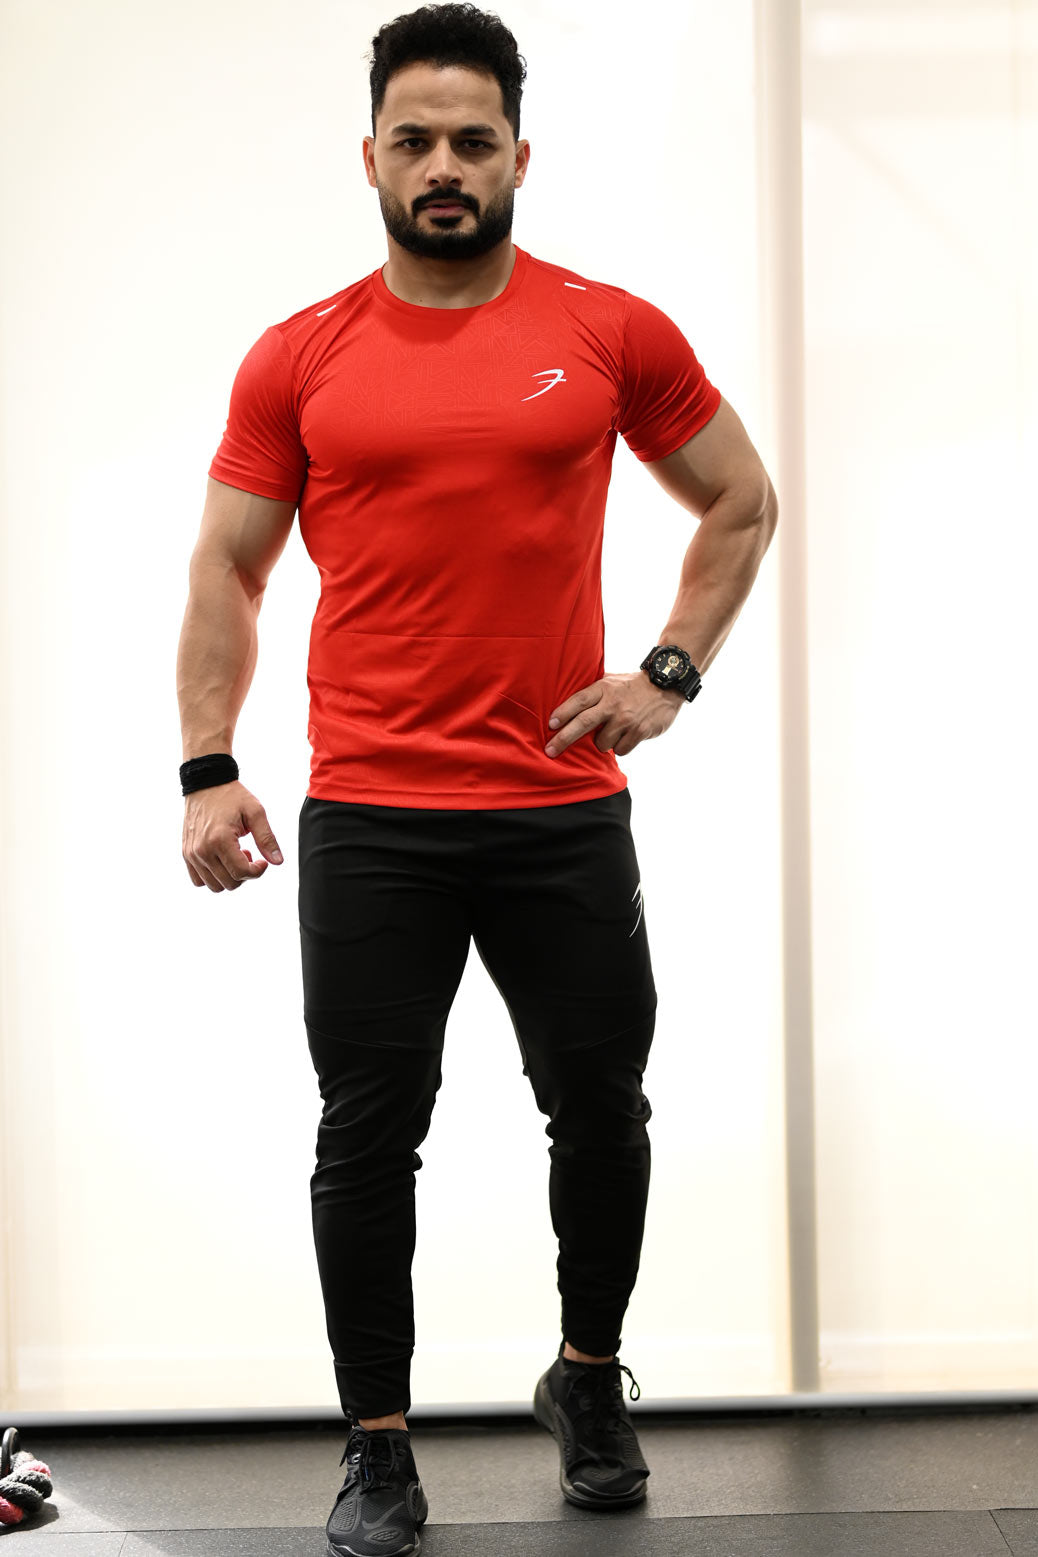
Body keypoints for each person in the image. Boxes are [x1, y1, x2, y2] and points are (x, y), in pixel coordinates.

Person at [176, 5, 778, 1554]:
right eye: (414, 140)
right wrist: (208, 765)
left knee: (602, 1107)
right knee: (367, 1130)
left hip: (557, 808)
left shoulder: (609, 331)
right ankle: (376, 1445)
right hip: (373, 812)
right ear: (369, 157)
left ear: (518, 154)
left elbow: (738, 500)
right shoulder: (299, 355)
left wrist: (667, 672)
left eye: (470, 139)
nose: (442, 165)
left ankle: (584, 1375)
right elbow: (229, 569)